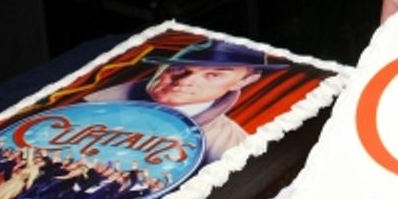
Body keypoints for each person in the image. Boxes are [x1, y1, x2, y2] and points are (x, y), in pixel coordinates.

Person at [85, 38, 287, 161]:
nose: (184, 81)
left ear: (242, 82)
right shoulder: (90, 102)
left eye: (214, 75)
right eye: (179, 67)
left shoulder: (229, 146)